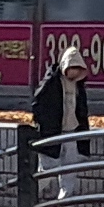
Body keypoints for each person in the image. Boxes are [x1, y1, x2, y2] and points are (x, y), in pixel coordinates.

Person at [27, 43, 92, 185]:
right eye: (72, 68)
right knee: (47, 171)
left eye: (78, 69)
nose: (74, 72)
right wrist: (43, 124)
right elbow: (38, 103)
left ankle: (67, 200)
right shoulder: (51, 82)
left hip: (72, 133)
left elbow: (82, 110)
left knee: (70, 172)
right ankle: (32, 196)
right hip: (52, 133)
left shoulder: (79, 86)